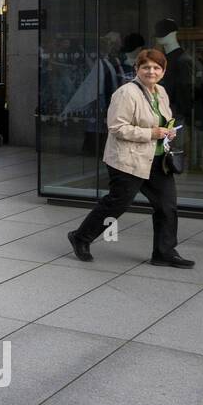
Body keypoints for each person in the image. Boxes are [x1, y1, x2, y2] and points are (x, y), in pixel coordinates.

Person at [68, 49, 194, 269]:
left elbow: (164, 119)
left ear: (163, 71)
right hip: (128, 159)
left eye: (156, 67)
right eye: (146, 67)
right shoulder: (126, 93)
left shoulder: (161, 92)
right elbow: (117, 127)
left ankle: (164, 252)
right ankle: (81, 237)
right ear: (137, 69)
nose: (151, 71)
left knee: (167, 206)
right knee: (117, 203)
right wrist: (151, 133)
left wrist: (168, 131)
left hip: (156, 159)